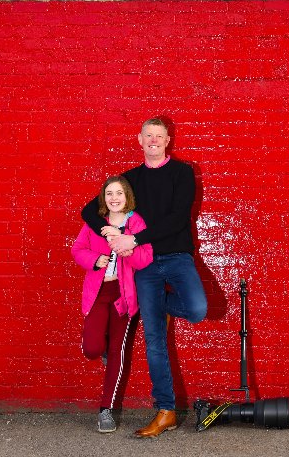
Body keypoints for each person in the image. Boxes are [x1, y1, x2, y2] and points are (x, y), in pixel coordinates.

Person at [81, 117, 207, 438]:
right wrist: (112, 236)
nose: (153, 140)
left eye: (159, 135)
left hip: (177, 257)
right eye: (148, 135)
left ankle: (160, 303)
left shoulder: (183, 173)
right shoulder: (130, 179)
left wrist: (133, 239)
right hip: (145, 266)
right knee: (154, 342)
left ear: (168, 140)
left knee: (197, 309)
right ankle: (165, 411)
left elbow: (178, 219)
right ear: (139, 140)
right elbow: (88, 211)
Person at [72, 176, 153, 433]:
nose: (114, 198)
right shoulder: (96, 222)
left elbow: (145, 257)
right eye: (109, 194)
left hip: (124, 294)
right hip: (98, 292)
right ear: (103, 198)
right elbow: (77, 248)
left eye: (119, 193)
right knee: (93, 348)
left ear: (127, 196)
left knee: (118, 351)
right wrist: (95, 259)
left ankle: (105, 409)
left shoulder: (137, 223)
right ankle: (102, 348)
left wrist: (125, 245)